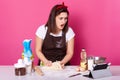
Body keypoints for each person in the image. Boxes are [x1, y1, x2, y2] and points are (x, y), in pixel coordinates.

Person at [35, 2, 75, 67]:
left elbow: (70, 53)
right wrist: (46, 62)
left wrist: (62, 63)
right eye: (61, 18)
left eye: (66, 18)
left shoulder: (69, 31)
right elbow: (38, 50)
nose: (63, 21)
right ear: (53, 18)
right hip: (45, 65)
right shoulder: (42, 30)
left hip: (62, 65)